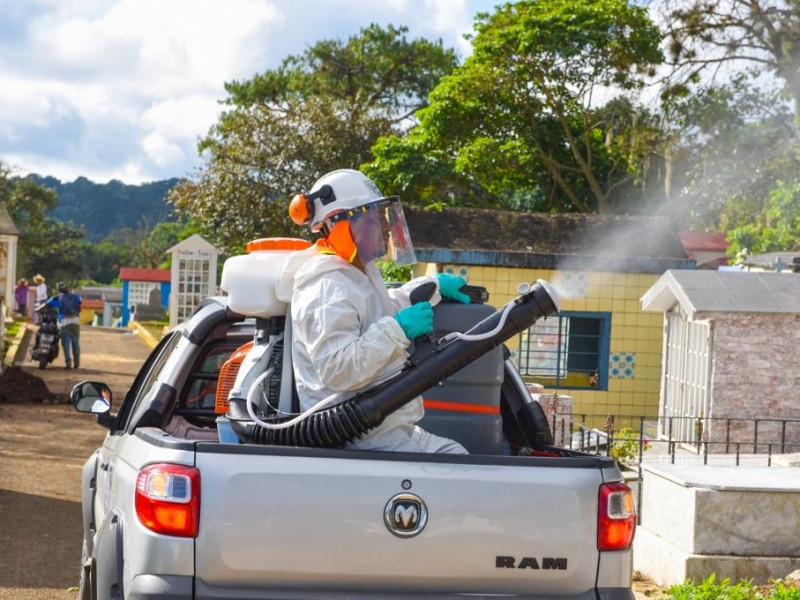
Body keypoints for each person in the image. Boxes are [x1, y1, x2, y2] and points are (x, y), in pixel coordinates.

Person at [276, 168, 472, 453]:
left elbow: (383, 309)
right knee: (455, 465)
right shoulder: (326, 285)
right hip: (358, 438)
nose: (388, 227)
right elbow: (338, 369)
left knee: (457, 459)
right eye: (375, 217)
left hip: (382, 429)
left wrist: (433, 286)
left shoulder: (354, 273)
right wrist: (399, 330)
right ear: (340, 222)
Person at [42, 282, 82, 370]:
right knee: (75, 343)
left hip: (64, 322)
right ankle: (76, 363)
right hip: (75, 321)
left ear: (58, 290)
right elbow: (80, 306)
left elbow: (45, 305)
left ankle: (68, 364)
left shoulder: (57, 298)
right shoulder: (75, 297)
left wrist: (38, 309)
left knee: (66, 344)